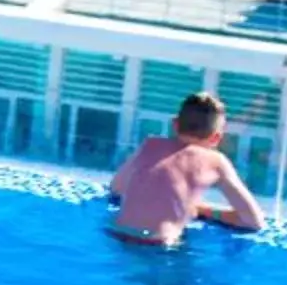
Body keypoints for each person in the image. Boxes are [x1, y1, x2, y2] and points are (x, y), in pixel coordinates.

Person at [106, 92, 266, 247]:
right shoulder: (216, 161)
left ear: (175, 124)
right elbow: (253, 221)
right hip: (159, 244)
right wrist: (202, 210)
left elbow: (115, 190)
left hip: (118, 236)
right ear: (217, 138)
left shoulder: (149, 144)